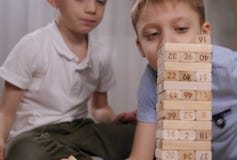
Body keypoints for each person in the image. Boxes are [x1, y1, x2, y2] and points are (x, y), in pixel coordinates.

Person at [127, 0, 237, 160]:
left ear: (204, 34)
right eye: (153, 34)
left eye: (181, 29)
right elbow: (141, 155)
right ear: (140, 47)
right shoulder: (150, 82)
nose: (167, 43)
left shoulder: (231, 70)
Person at [0, 0, 136, 160]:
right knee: (23, 150)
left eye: (100, 1)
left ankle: (72, 156)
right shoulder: (32, 46)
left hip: (79, 131)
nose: (92, 9)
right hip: (37, 134)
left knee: (140, 134)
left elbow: (100, 108)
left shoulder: (101, 55)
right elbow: (6, 113)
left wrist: (115, 119)